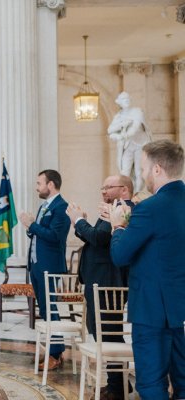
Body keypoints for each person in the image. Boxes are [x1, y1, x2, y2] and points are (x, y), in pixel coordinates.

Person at [110, 140, 185, 400]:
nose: (141, 174)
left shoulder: (150, 208)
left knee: (151, 384)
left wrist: (118, 227)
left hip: (152, 313)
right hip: (180, 311)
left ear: (157, 169)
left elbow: (120, 256)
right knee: (183, 383)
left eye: (142, 168)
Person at [66, 174, 134, 400]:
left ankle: (119, 387)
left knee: (108, 333)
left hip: (106, 282)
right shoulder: (111, 208)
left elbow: (99, 237)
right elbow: (96, 238)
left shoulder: (121, 208)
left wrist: (78, 221)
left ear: (124, 190)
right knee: (101, 331)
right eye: (102, 187)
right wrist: (81, 223)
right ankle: (118, 383)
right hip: (99, 280)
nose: (103, 191)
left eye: (108, 187)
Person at [18, 169, 71, 371]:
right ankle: (55, 349)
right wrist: (30, 226)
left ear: (51, 185)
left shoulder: (61, 207)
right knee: (45, 309)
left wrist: (32, 225)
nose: (36, 187)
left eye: (39, 183)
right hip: (37, 265)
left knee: (51, 309)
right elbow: (39, 235)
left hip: (50, 266)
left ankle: (55, 353)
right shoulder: (43, 206)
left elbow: (55, 236)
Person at [107, 92, 152, 192]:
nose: (126, 100)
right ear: (119, 102)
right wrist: (122, 124)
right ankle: (127, 195)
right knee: (124, 173)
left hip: (140, 144)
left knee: (139, 172)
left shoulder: (137, 112)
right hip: (128, 145)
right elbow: (109, 130)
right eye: (123, 99)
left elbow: (135, 128)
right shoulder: (118, 116)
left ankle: (137, 194)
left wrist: (120, 136)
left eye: (127, 98)